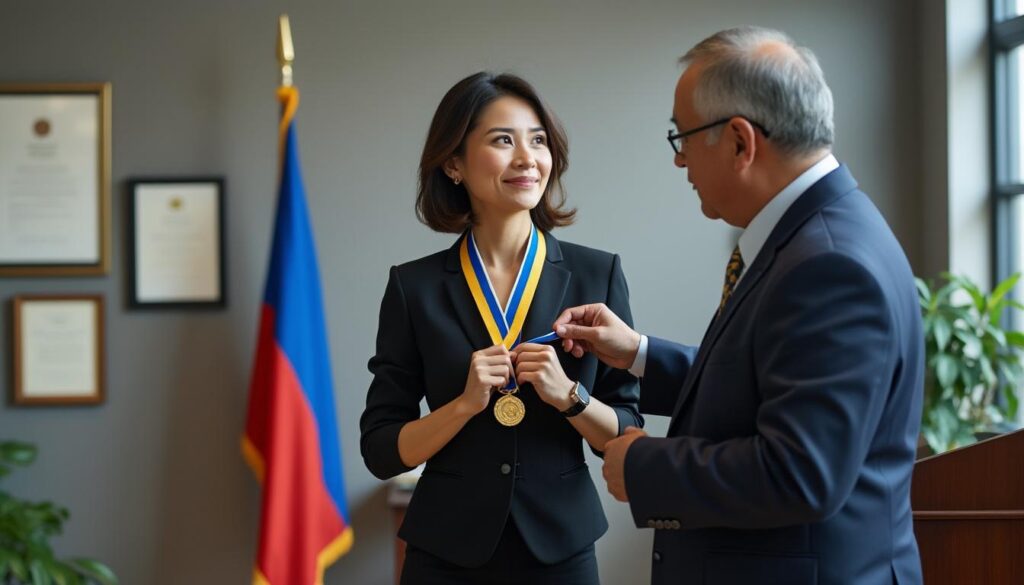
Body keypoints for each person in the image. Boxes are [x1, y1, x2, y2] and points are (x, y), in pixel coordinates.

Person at [553, 27, 924, 585]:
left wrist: (642, 463)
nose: (680, 163)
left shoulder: (829, 264)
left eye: (681, 137)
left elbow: (800, 473)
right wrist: (637, 353)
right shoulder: (817, 235)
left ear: (739, 142)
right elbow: (766, 385)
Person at [360, 72, 642, 585]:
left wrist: (569, 396)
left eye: (538, 140)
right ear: (452, 163)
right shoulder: (413, 287)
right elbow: (381, 450)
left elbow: (625, 432)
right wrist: (463, 405)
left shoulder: (597, 275)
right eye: (502, 140)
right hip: (444, 552)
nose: (526, 158)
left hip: (562, 551)